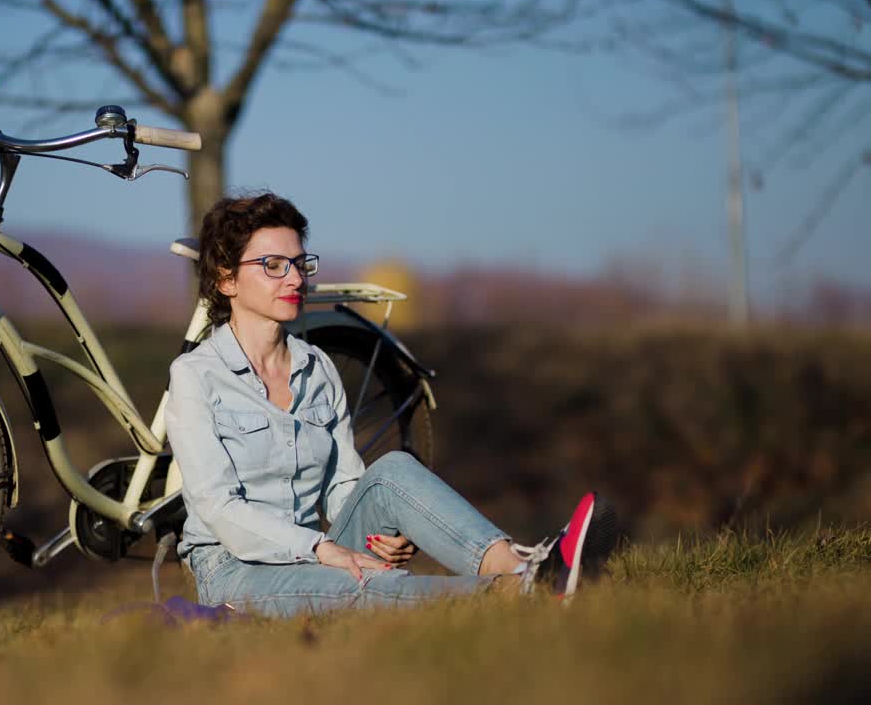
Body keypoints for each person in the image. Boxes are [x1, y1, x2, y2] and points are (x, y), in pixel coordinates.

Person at [165, 192, 617, 618]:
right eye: (274, 265)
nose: (296, 279)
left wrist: (386, 539)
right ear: (226, 278)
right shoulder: (195, 376)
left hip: (314, 552)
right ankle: (522, 593)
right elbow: (221, 510)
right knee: (356, 588)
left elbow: (345, 486)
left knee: (393, 471)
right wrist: (322, 549)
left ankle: (520, 563)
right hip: (234, 572)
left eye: (301, 264)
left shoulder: (317, 368)